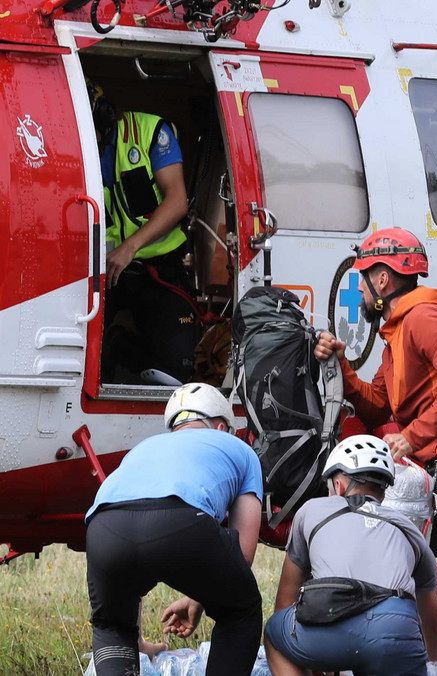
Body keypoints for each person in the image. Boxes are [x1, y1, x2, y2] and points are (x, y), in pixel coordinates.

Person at [314, 228, 437, 555]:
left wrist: (412, 437)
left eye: (363, 279)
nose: (360, 288)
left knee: (396, 561)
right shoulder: (397, 334)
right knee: (399, 562)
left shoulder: (423, 319)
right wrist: (343, 364)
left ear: (382, 281)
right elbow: (377, 405)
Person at [85, 383, 262, 676]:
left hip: (104, 527)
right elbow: (242, 555)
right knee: (240, 610)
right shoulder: (240, 450)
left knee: (112, 625)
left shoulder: (144, 447)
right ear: (220, 427)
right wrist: (202, 595)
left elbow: (135, 530)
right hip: (180, 520)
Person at [265, 434, 437, 676]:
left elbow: (285, 604)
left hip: (330, 621)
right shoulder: (410, 531)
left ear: (339, 486)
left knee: (275, 632)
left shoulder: (311, 510)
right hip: (396, 631)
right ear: (383, 493)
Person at [89, 78, 198, 385]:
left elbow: (177, 202)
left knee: (177, 369)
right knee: (88, 362)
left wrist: (130, 247)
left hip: (159, 268)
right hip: (103, 270)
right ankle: (110, 349)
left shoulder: (150, 133)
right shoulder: (67, 145)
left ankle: (119, 341)